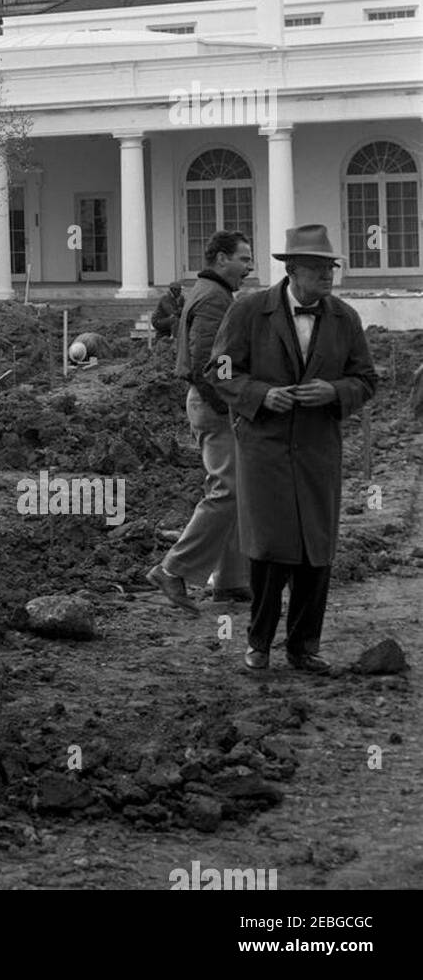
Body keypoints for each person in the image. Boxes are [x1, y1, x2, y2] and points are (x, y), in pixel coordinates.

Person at [211, 224, 378, 674]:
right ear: (293, 270)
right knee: (268, 549)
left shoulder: (344, 318)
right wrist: (261, 395)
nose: (329, 277)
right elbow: (221, 371)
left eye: (331, 268)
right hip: (264, 449)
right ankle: (259, 642)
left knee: (315, 551)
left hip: (318, 450)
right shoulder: (249, 312)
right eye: (320, 269)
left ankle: (304, 647)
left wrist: (334, 391)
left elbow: (366, 379)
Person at [147, 232, 255, 613]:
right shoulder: (213, 298)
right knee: (227, 490)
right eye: (243, 258)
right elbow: (208, 364)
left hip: (213, 403)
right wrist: (232, 404)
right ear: (221, 259)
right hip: (215, 406)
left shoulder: (209, 291)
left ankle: (231, 581)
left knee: (236, 490)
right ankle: (173, 569)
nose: (249, 266)